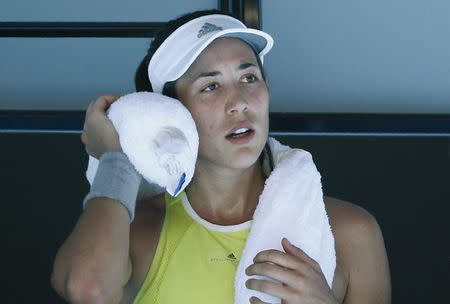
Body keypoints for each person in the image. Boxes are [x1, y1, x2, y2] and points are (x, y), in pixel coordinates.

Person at [51, 9, 391, 304]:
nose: (240, 101)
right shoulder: (137, 231)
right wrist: (116, 157)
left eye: (249, 77)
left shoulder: (350, 234)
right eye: (210, 86)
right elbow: (87, 289)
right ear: (169, 113)